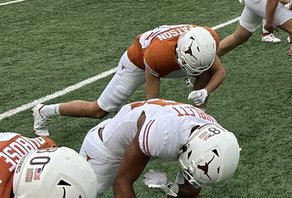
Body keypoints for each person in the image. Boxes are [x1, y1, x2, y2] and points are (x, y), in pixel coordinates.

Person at [79, 99, 240, 198]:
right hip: (105, 148)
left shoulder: (209, 134)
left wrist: (168, 186)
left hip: (149, 131)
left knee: (194, 176)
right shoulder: (161, 133)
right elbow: (122, 181)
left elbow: (192, 188)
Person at [33, 25, 223, 134]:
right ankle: (44, 111)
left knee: (204, 72)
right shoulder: (159, 55)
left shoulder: (206, 39)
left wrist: (205, 91)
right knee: (98, 110)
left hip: (168, 55)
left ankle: (198, 118)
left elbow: (219, 72)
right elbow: (152, 103)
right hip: (137, 62)